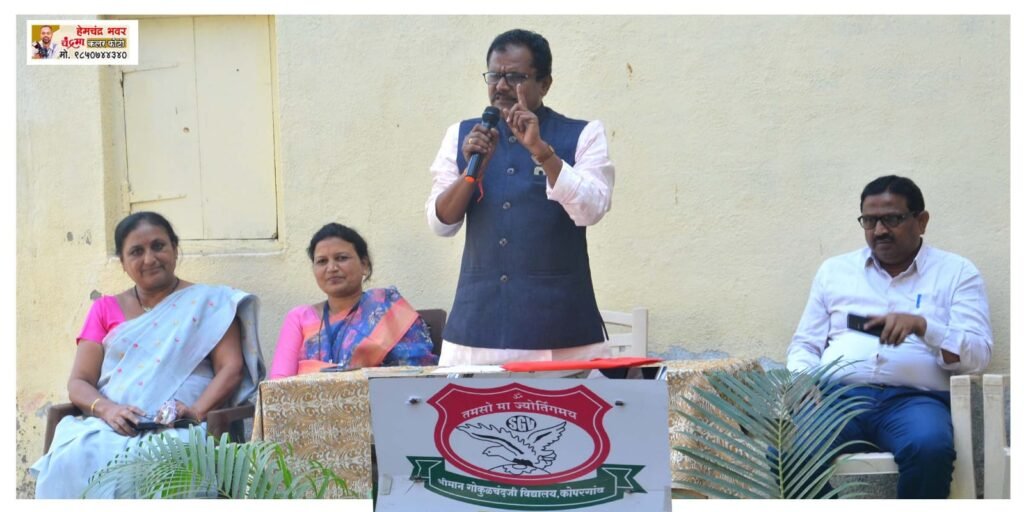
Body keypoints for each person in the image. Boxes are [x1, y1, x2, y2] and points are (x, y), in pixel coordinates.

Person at [31, 211, 265, 498]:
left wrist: (196, 412)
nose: (150, 259)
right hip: (112, 424)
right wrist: (108, 410)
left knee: (172, 458)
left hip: (180, 424)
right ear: (122, 262)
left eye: (158, 246)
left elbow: (231, 369)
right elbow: (79, 381)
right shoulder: (104, 309)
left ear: (175, 248)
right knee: (72, 456)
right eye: (136, 252)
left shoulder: (213, 304)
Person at [786, 175, 992, 498]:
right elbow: (805, 344)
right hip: (838, 399)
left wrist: (924, 327)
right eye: (870, 221)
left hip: (915, 402)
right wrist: (803, 381)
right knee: (791, 454)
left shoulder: (957, 273)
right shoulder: (834, 272)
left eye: (892, 219)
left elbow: (978, 355)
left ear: (921, 221)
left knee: (930, 448)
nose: (880, 230)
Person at [426, 29, 615, 365]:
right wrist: (472, 172)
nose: (501, 86)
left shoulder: (583, 134)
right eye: (494, 76)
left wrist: (542, 152)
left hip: (560, 333)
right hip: (475, 331)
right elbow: (440, 223)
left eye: (515, 77)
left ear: (545, 84)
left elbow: (591, 209)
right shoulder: (462, 135)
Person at [269, 223, 437, 378]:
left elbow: (416, 375)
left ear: (364, 265)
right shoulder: (300, 317)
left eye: (341, 258)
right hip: (306, 401)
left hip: (379, 400)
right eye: (322, 261)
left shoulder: (387, 309)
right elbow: (278, 385)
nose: (332, 268)